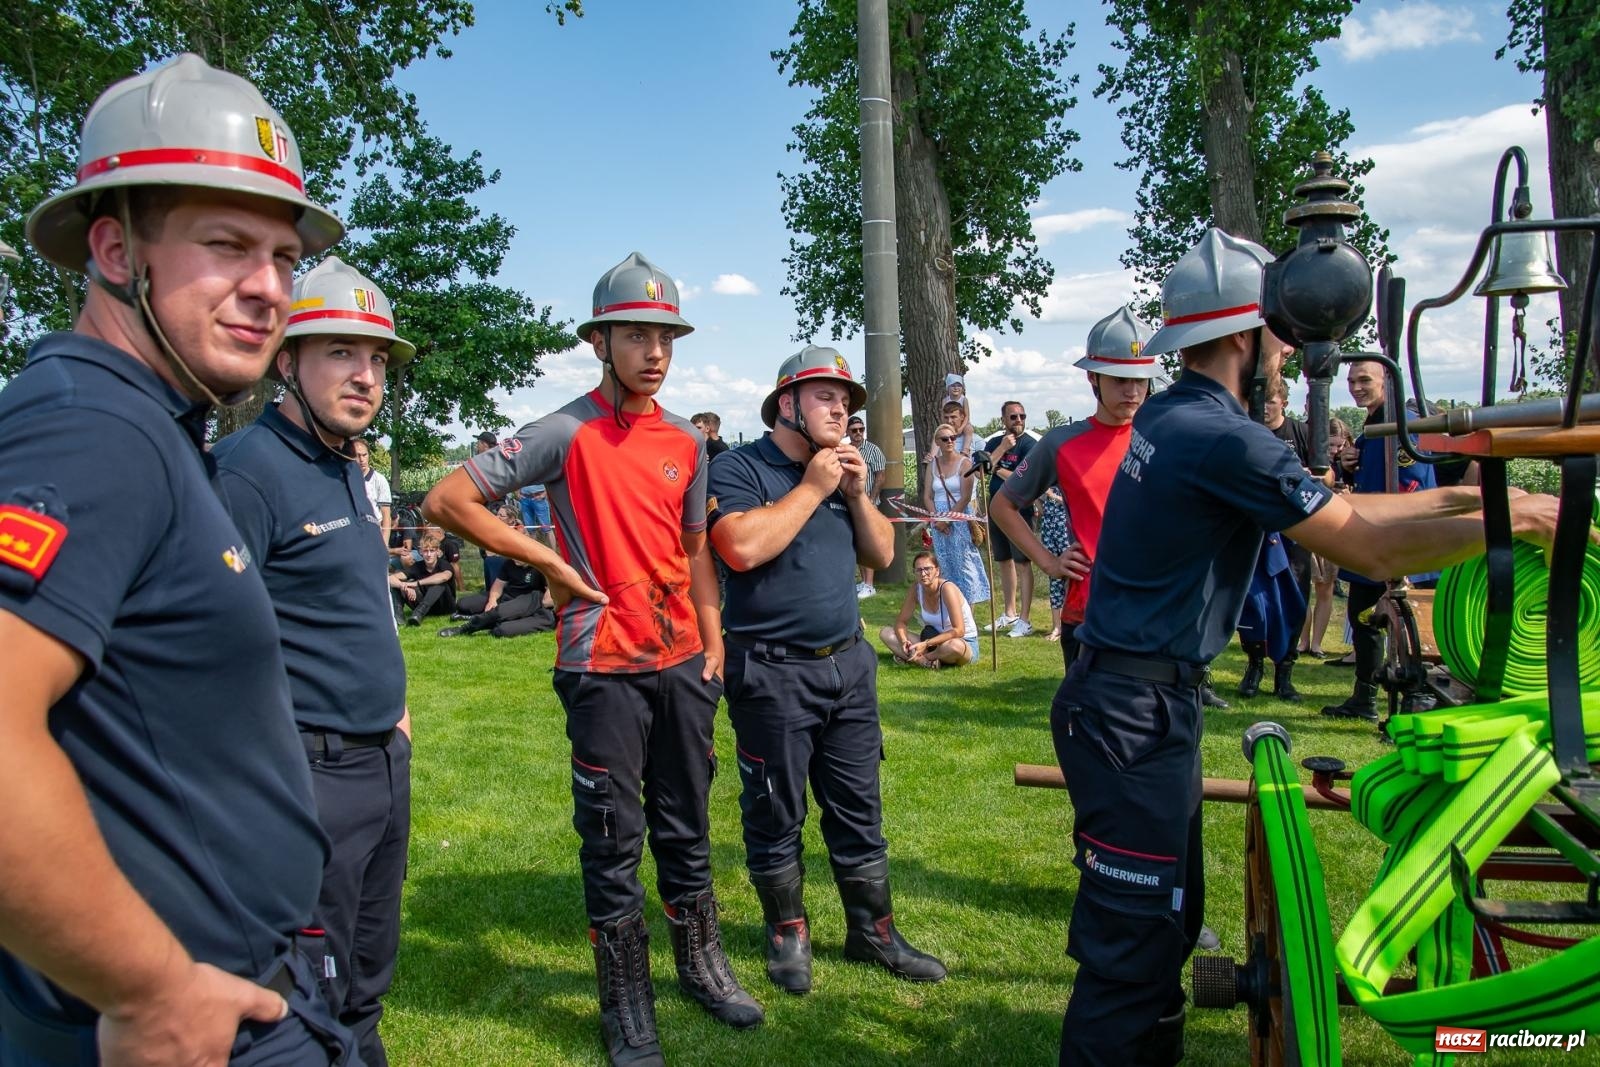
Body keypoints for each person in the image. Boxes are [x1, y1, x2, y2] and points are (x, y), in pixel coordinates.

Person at [1050, 227, 1566, 1066]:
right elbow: (1366, 548)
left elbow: (1337, 508)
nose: (1287, 357)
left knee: (1166, 928)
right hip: (1131, 719)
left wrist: (1485, 506)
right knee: (1130, 955)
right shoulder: (1221, 437)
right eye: (1280, 336)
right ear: (1244, 336)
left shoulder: (1186, 417)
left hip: (1135, 706)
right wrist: (1509, 525)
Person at [0, 53, 354, 1065]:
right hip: (181, 1026)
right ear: (115, 249)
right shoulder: (92, 429)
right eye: (225, 245)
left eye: (284, 257)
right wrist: (148, 987)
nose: (267, 287)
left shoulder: (155, 426)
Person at [422, 251, 760, 1066]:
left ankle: (703, 968)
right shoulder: (564, 430)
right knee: (612, 836)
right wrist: (544, 562)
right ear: (600, 342)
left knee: (687, 826)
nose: (653, 351)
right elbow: (446, 498)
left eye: (665, 337)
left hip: (681, 662)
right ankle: (627, 1003)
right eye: (635, 334)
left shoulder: (686, 438)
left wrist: (713, 641)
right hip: (600, 666)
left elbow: (695, 555)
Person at [211, 256, 415, 1065]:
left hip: (381, 762)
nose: (364, 375)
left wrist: (395, 714)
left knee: (368, 976)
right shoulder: (244, 475)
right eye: (339, 352)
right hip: (308, 775)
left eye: (374, 358)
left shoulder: (345, 466)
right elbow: (214, 648)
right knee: (309, 990)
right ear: (286, 361)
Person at [708, 344, 945, 996]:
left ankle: (873, 933)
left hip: (849, 665)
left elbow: (884, 553)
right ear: (787, 403)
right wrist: (813, 486)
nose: (840, 406)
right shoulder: (739, 467)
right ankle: (788, 933)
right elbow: (741, 546)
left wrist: (856, 493)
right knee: (775, 807)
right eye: (824, 396)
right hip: (772, 672)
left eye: (845, 399)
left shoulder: (845, 473)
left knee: (858, 805)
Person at [988, 306, 1162, 674]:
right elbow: (1003, 505)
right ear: (1094, 379)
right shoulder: (1061, 443)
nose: (1132, 391)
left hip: (1157, 613)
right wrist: (1048, 562)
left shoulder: (1166, 436)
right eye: (1119, 379)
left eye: (1140, 380)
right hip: (1088, 613)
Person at [1321, 358, 1438, 722]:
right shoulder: (1374, 424)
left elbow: (1409, 484)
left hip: (1398, 542)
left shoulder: (1400, 424)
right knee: (1363, 619)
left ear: (1386, 379)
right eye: (1352, 380)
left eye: (1364, 380)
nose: (1356, 386)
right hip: (1370, 539)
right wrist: (1348, 465)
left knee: (1407, 627)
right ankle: (1364, 696)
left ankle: (1409, 704)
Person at [1235, 377, 1317, 701]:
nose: (1265, 407)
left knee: (1295, 596)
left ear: (1283, 401)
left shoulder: (1301, 433)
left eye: (1271, 400)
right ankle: (1254, 666)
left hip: (1295, 531)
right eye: (1260, 401)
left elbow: (1329, 475)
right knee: (1254, 601)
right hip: (1255, 528)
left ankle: (1285, 674)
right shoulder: (1247, 434)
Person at [1298, 416, 1353, 658]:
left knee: (1326, 588)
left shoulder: (1349, 465)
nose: (1335, 450)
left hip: (1334, 530)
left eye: (1339, 446)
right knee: (1303, 587)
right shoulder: (1310, 461)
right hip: (1309, 527)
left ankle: (1317, 643)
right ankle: (1302, 640)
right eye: (1330, 445)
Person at [923, 415, 991, 610]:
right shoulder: (933, 465)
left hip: (959, 518)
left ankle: (967, 611)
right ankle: (948, 608)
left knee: (964, 564)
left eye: (952, 437)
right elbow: (927, 495)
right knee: (943, 563)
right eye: (945, 439)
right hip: (938, 519)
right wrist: (936, 519)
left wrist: (948, 520)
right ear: (938, 442)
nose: (950, 441)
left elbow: (964, 497)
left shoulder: (965, 463)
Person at [983, 401, 1037, 637]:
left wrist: (994, 468)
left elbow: (1020, 478)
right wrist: (1002, 449)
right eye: (1013, 417)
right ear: (1003, 419)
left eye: (1022, 416)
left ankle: (1025, 619)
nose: (1018, 420)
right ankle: (1010, 612)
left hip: (1018, 511)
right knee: (1003, 561)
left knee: (1022, 563)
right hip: (995, 509)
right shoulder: (995, 443)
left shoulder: (1030, 445)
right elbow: (980, 467)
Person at [880, 552, 979, 668]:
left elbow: (959, 631)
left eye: (927, 569)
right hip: (932, 640)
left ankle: (919, 658)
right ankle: (927, 660)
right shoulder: (916, 589)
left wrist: (926, 644)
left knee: (954, 646)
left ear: (937, 571)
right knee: (886, 633)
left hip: (961, 642)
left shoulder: (947, 589)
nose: (923, 573)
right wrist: (903, 641)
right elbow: (901, 622)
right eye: (919, 570)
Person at [846, 414, 889, 598]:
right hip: (850, 502)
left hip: (868, 502)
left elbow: (880, 476)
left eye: (861, 429)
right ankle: (864, 581)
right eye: (854, 430)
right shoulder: (845, 450)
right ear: (848, 431)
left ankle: (870, 584)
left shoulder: (873, 450)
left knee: (868, 541)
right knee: (857, 542)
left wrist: (872, 498)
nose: (858, 433)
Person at [388, 535, 457, 624]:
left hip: (445, 606)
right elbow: (390, 578)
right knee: (396, 585)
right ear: (421, 552)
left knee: (439, 584)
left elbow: (444, 577)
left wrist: (416, 583)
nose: (428, 554)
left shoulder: (444, 564)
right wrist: (403, 586)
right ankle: (398, 617)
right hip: (425, 605)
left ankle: (418, 614)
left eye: (432, 551)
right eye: (425, 551)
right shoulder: (417, 566)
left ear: (438, 552)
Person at [941, 372, 974, 455]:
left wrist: (961, 428)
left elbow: (967, 416)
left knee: (969, 429)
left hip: (963, 423)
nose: (956, 388)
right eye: (953, 386)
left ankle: (965, 449)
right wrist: (945, 425)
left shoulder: (964, 400)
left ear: (962, 388)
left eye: (959, 385)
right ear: (948, 388)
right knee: (939, 431)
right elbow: (943, 415)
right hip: (949, 423)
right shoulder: (945, 400)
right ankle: (932, 454)